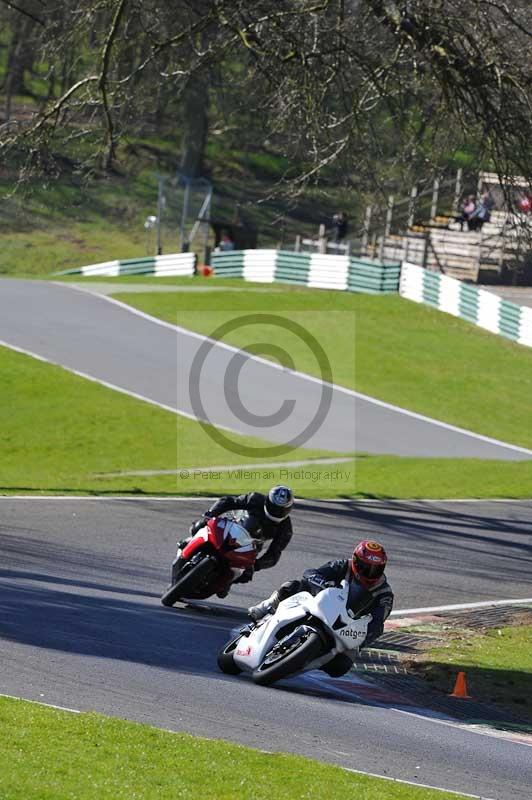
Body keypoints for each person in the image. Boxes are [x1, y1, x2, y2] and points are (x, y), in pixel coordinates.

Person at [248, 539, 393, 677]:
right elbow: (311, 574)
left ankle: (306, 659)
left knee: (340, 667)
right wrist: (324, 585)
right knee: (292, 586)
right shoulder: (343, 566)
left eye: (376, 569)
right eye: (365, 567)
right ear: (355, 561)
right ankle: (266, 607)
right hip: (321, 605)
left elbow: (378, 623)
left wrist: (358, 642)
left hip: (346, 628)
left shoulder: (384, 593)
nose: (370, 573)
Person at [171, 486, 295, 591]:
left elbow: (274, 554)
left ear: (288, 509)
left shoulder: (285, 529)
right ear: (268, 501)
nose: (276, 512)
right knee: (197, 528)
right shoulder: (255, 499)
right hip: (231, 527)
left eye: (281, 510)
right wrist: (208, 516)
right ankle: (188, 544)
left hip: (250, 546)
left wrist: (256, 565)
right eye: (274, 507)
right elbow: (228, 501)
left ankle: (221, 584)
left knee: (244, 575)